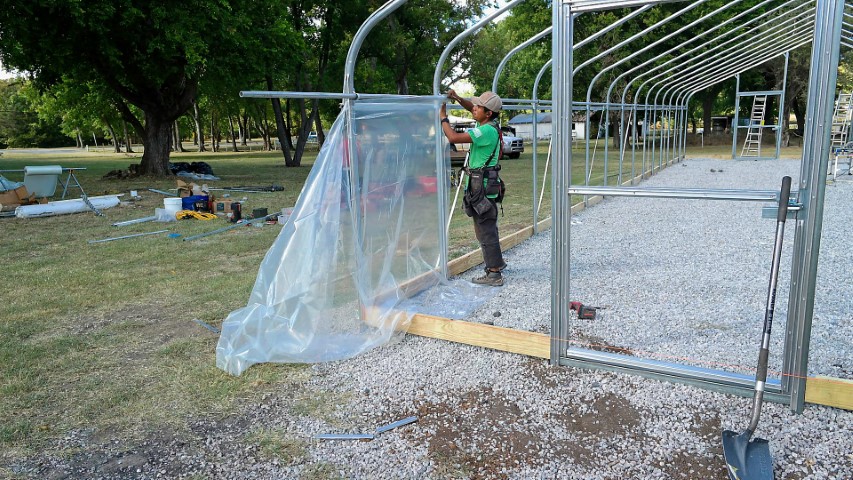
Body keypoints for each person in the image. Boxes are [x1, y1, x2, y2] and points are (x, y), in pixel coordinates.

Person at [439, 90, 507, 286]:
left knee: (485, 229)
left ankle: (494, 274)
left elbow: (452, 138)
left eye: (478, 107)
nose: (473, 108)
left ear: (488, 113)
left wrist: (443, 117)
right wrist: (459, 99)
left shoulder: (485, 130)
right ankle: (495, 265)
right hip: (482, 184)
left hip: (482, 187)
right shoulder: (488, 123)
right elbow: (473, 109)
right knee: (484, 228)